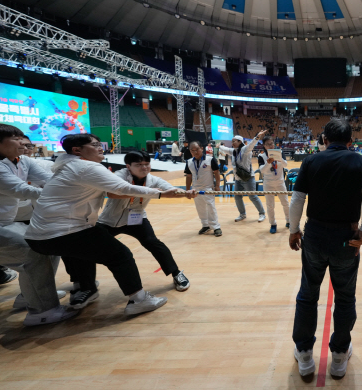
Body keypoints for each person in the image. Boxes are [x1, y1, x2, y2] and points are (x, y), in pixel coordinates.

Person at [24, 133, 177, 315]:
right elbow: (121, 188)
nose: (100, 147)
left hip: (40, 236)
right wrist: (160, 193)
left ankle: (84, 289)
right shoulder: (87, 167)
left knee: (80, 252)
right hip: (67, 230)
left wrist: (168, 190)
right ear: (77, 150)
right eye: (95, 145)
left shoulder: (67, 166)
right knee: (120, 255)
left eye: (99, 144)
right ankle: (139, 299)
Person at [288, 119, 362, 379]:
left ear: (324, 139)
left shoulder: (311, 161)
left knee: (308, 295)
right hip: (345, 239)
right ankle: (338, 357)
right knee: (345, 297)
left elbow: (297, 199)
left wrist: (294, 229)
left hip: (314, 235)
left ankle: (305, 355)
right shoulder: (361, 161)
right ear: (350, 141)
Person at [0, 125, 76, 325]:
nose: (24, 142)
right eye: (16, 138)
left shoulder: (24, 161)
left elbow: (50, 181)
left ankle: (29, 296)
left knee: (47, 243)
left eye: (22, 138)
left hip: (4, 222)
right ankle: (41, 311)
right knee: (33, 253)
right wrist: (70, 194)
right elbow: (22, 190)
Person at [96, 151, 195, 291]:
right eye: (139, 165)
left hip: (136, 218)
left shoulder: (153, 180)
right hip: (109, 220)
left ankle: (176, 273)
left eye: (146, 164)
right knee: (90, 248)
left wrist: (185, 192)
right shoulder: (120, 175)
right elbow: (112, 192)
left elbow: (171, 189)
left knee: (153, 243)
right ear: (128, 166)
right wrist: (151, 191)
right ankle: (86, 284)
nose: (144, 168)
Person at [219, 131, 267, 223]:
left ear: (240, 142)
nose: (232, 143)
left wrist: (257, 137)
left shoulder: (245, 149)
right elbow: (225, 149)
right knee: (237, 197)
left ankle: (262, 213)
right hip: (238, 179)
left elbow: (251, 144)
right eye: (232, 141)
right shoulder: (233, 151)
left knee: (252, 197)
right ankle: (242, 214)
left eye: (234, 141)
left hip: (248, 178)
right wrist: (219, 146)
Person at [184, 141, 222, 236]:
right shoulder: (189, 162)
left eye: (196, 150)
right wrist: (187, 190)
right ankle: (205, 225)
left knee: (211, 207)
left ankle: (216, 226)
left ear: (201, 148)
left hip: (208, 188)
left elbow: (216, 172)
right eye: (192, 151)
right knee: (200, 208)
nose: (195, 152)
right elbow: (188, 176)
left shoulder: (210, 159)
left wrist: (217, 185)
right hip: (195, 189)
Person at [258, 136, 290, 234]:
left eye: (272, 143)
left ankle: (289, 221)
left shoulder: (279, 152)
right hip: (268, 183)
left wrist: (280, 159)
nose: (270, 145)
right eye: (268, 144)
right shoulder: (261, 156)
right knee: (270, 205)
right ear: (264, 145)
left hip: (280, 182)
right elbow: (262, 170)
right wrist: (268, 163)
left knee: (285, 203)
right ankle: (273, 224)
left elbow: (286, 165)